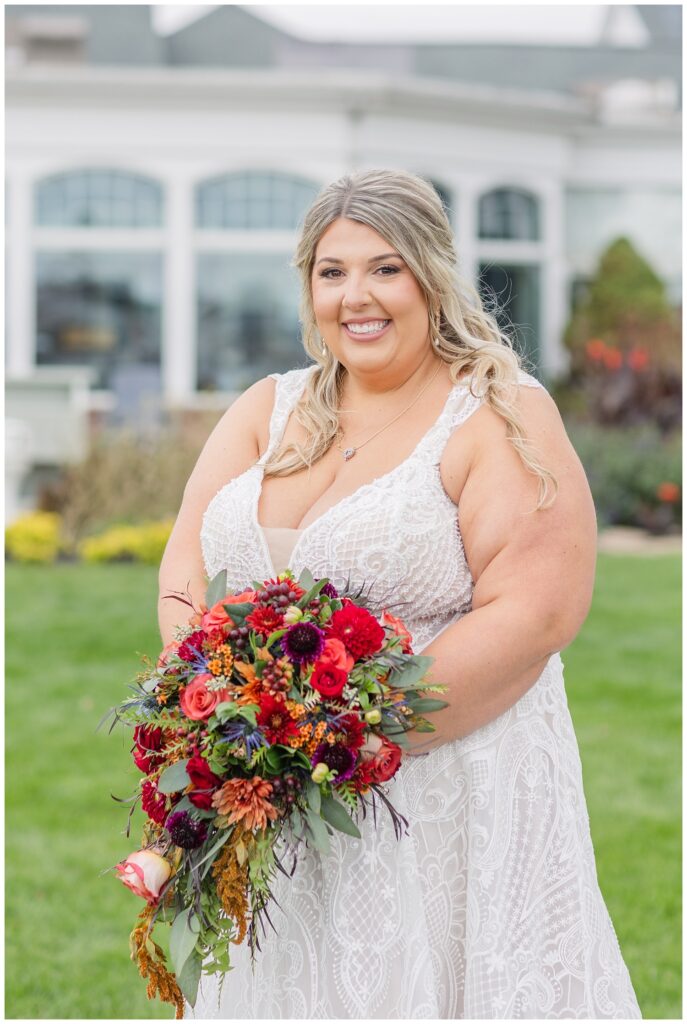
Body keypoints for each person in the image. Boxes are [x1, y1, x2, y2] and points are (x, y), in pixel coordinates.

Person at [159, 169, 641, 1019]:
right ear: (308, 287)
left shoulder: (497, 414)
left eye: (385, 269)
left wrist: (340, 735)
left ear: (432, 276)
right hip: (276, 791)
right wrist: (222, 717)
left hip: (441, 800)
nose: (357, 296)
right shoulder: (267, 409)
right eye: (332, 271)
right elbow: (186, 567)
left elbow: (538, 610)